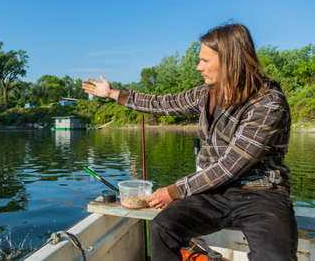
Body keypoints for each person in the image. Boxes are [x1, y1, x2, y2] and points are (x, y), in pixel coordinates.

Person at [82, 23, 298, 261]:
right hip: (214, 193)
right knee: (161, 228)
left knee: (275, 256)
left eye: (205, 60)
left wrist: (174, 191)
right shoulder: (207, 93)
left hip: (262, 195)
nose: (198, 67)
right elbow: (162, 103)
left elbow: (230, 165)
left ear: (230, 60)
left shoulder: (268, 103)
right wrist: (114, 94)